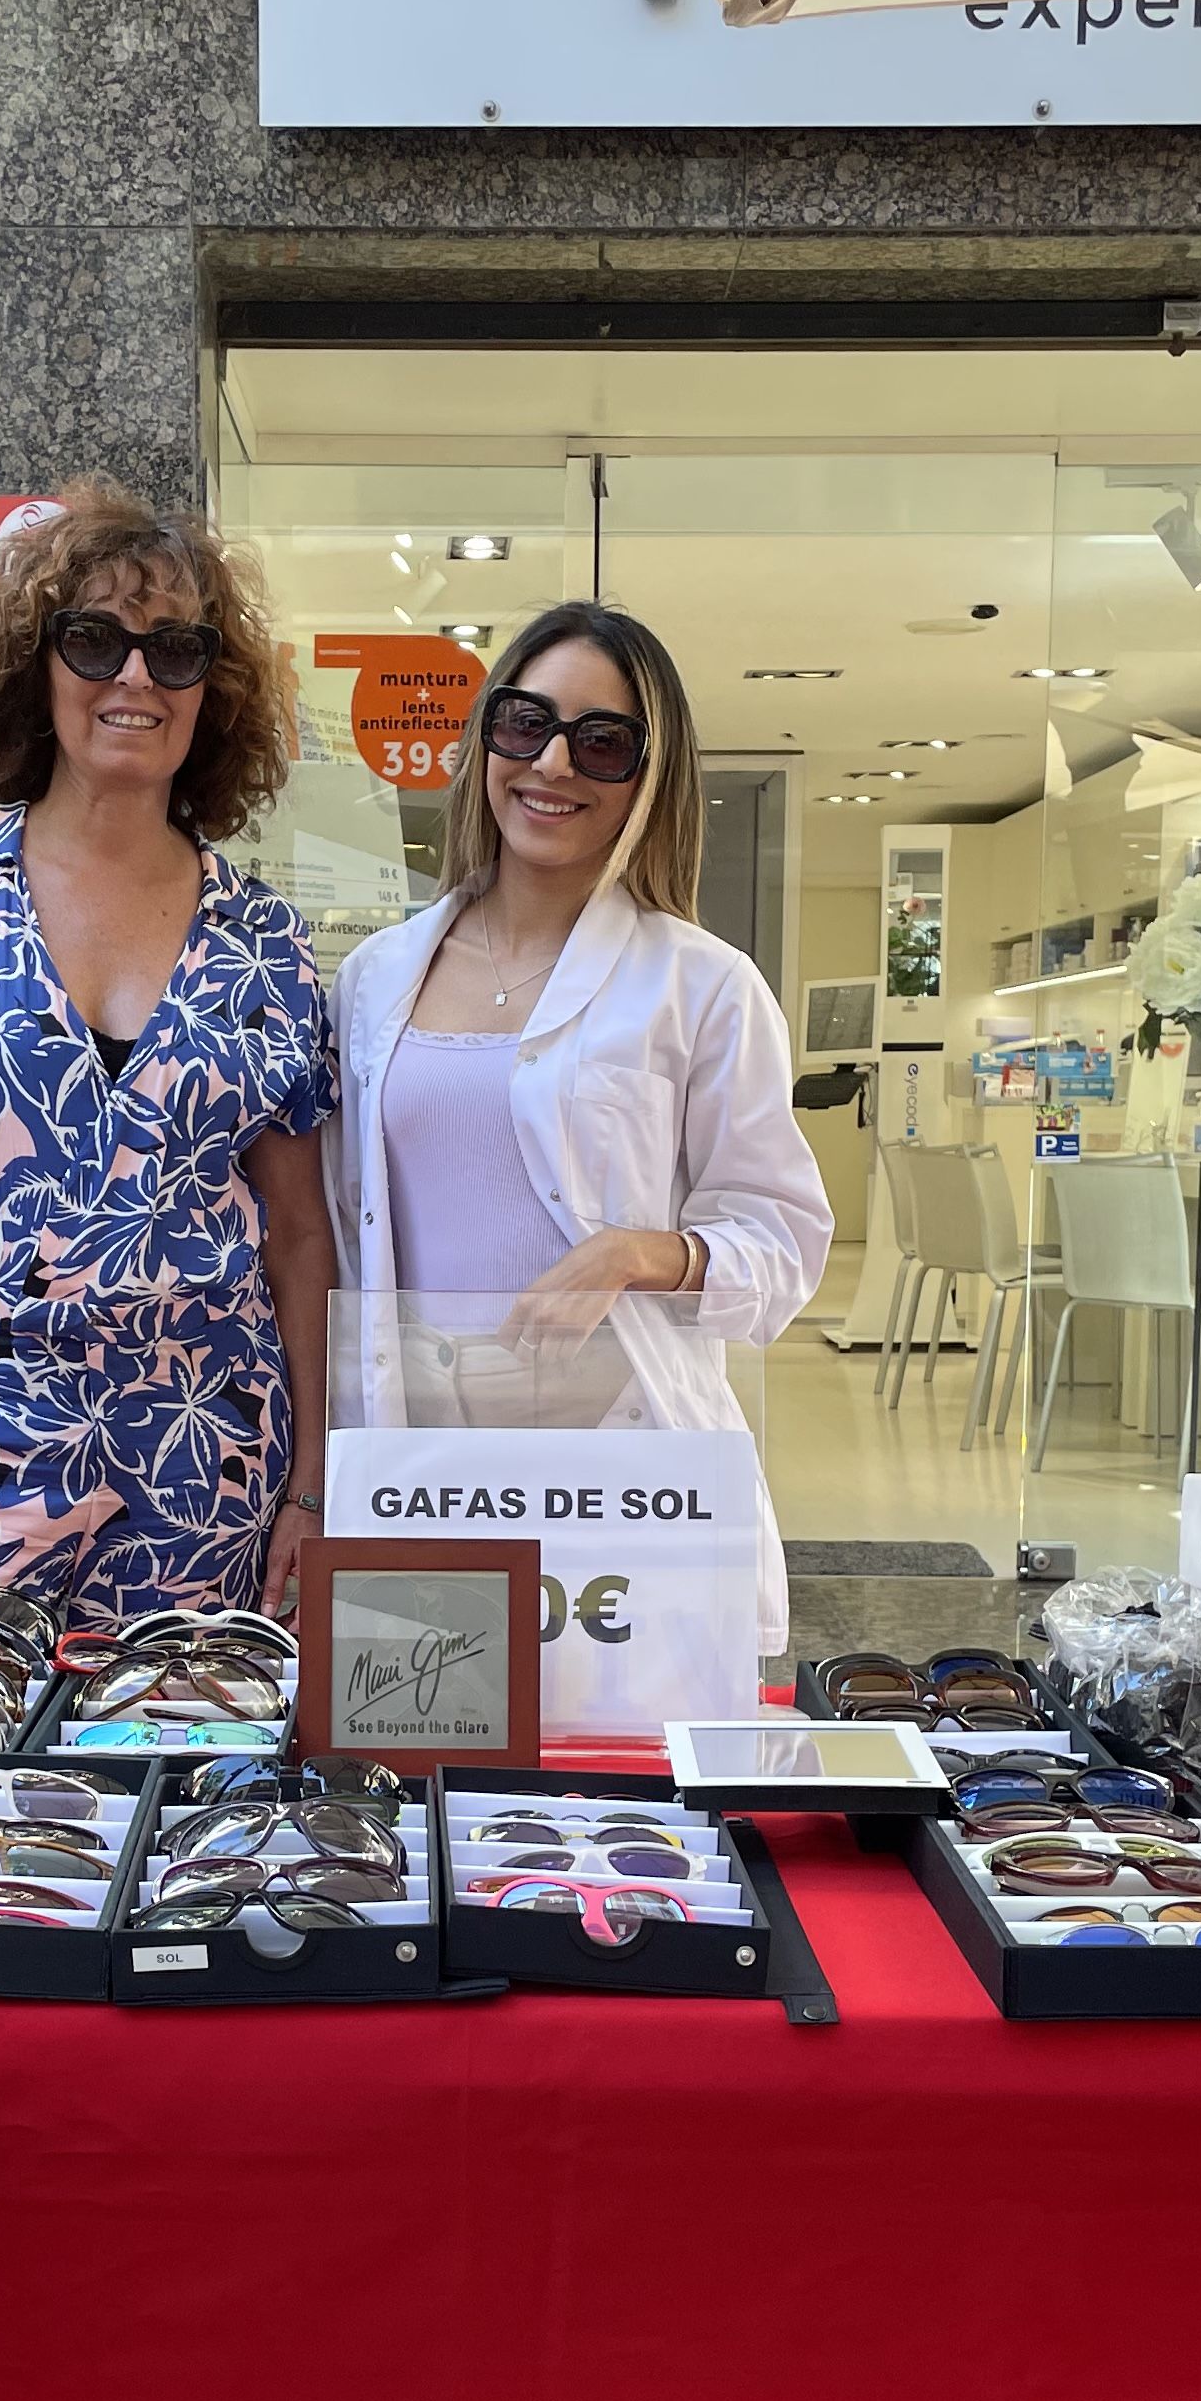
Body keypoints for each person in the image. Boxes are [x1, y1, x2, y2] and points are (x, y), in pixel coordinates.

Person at [0, 482, 336, 1636]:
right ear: (33, 668)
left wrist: (310, 1488)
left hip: (209, 1472)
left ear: (215, 689)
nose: (136, 678)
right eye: (95, 639)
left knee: (187, 1792)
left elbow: (298, 1232)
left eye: (176, 650)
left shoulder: (268, 941)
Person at [324, 599, 832, 1647]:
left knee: (620, 1791)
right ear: (485, 741)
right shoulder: (375, 980)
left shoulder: (702, 986)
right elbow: (339, 1227)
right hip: (420, 1473)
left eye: (601, 744)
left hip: (623, 1474)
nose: (553, 763)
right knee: (430, 1773)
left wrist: (646, 1254)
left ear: (648, 781)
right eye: (526, 723)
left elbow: (786, 1247)